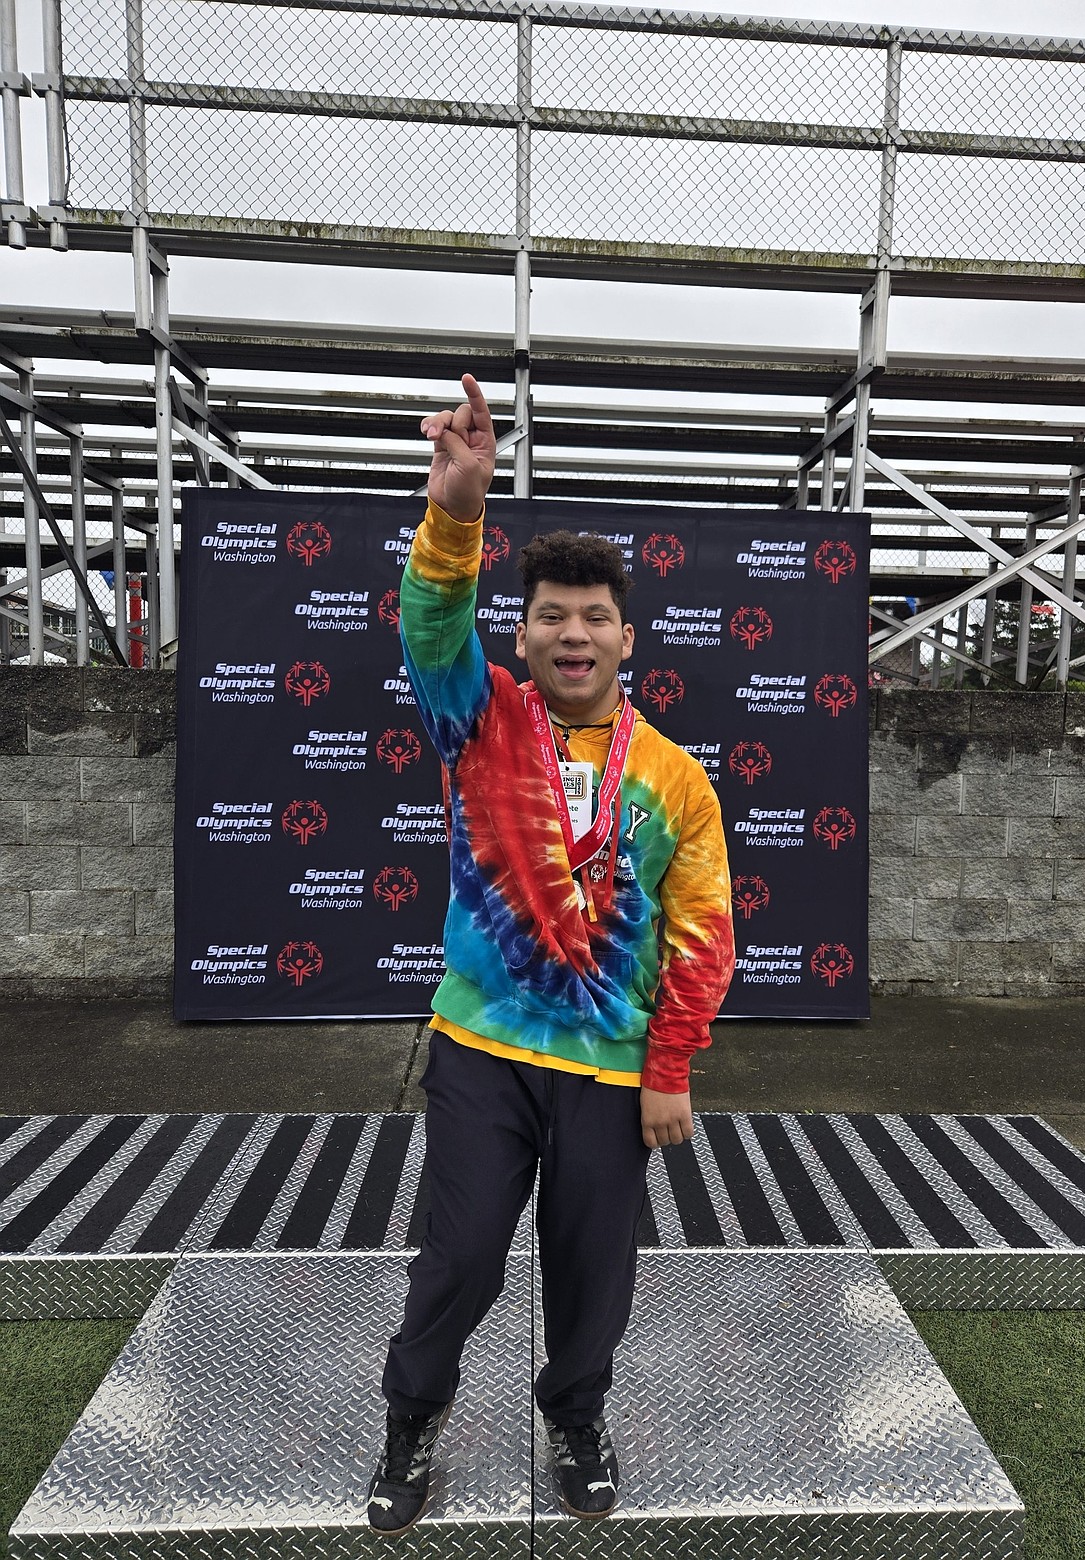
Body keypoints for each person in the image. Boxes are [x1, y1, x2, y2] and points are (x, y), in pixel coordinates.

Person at [368, 373, 734, 1535]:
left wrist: (670, 1065)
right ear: (520, 632)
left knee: (593, 1274)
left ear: (627, 637)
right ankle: (413, 1415)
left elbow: (702, 932)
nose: (573, 634)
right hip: (482, 1048)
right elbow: (430, 621)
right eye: (551, 616)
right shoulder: (480, 718)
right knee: (461, 1259)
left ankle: (576, 1414)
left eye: (594, 617)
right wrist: (458, 509)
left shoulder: (673, 777)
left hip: (612, 1072)